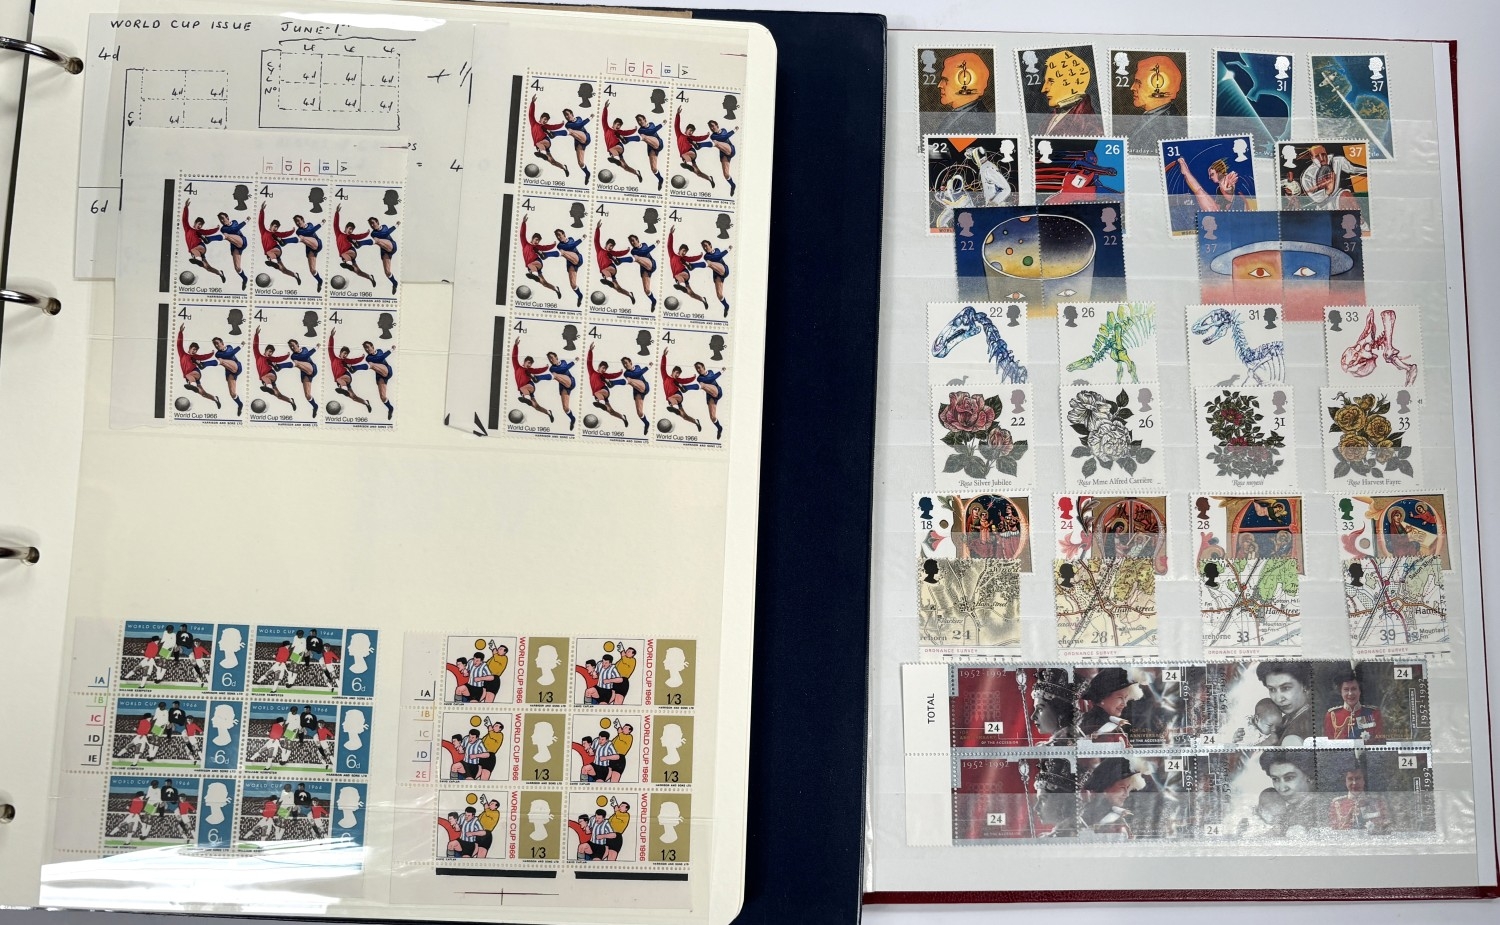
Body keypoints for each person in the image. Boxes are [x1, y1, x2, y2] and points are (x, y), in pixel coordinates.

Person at [1259, 749, 1318, 835]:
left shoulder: (1322, 808)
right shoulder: (1288, 811)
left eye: (1289, 778)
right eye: (1275, 779)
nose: (1282, 788)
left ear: (1309, 777)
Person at [1079, 756, 1143, 836]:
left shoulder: (1122, 817)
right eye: (1122, 787)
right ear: (1106, 786)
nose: (1127, 794)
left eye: (1129, 788)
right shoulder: (1085, 813)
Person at [1255, 661, 1315, 745]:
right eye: (1272, 689)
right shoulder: (1285, 719)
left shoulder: (1305, 724)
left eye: (1286, 688)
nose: (1279, 699)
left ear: (1304, 685)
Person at [1077, 667, 1141, 742]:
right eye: (1120, 697)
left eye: (1125, 698)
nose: (1124, 704)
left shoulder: (1093, 719)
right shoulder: (1100, 727)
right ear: (1102, 698)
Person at [1323, 671, 1384, 743]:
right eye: (1346, 689)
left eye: (1354, 689)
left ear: (1359, 691)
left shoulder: (1373, 713)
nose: (1350, 693)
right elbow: (1328, 745)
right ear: (1341, 692)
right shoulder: (1332, 715)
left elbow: (1379, 742)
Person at [1328, 764, 1390, 833]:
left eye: (1358, 779)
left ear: (1364, 780)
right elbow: (1334, 831)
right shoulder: (1337, 803)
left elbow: (1385, 827)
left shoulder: (1377, 802)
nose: (1354, 783)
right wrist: (1348, 819)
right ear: (1345, 782)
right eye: (1350, 779)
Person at [181, 200, 226, 283]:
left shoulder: (200, 231)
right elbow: (184, 219)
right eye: (199, 224)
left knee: (193, 249)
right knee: (208, 268)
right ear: (195, 223)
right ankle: (220, 273)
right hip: (196, 253)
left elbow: (208, 232)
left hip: (200, 246)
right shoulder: (188, 229)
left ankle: (198, 259)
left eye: (201, 225)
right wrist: (186, 207)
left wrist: (216, 229)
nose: (200, 226)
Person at [176, 329, 221, 409]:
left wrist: (211, 353)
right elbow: (179, 344)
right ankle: (215, 399)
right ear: (189, 349)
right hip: (191, 378)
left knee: (188, 375)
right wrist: (180, 332)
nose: (194, 351)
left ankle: (192, 385)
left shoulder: (195, 356)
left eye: (196, 350)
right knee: (203, 394)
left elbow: (204, 357)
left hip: (195, 372)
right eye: (193, 349)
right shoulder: (182, 354)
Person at [252, 330, 295, 412]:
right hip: (266, 380)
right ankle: (291, 400)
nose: (270, 354)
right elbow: (255, 346)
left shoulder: (270, 358)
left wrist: (287, 356)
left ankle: (268, 387)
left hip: (271, 374)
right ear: (265, 350)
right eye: (269, 351)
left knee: (264, 377)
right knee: (279, 396)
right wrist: (256, 335)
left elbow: (279, 359)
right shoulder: (258, 356)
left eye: (272, 353)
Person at [257, 206, 302, 285]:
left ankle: (274, 261)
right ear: (271, 226)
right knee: (283, 270)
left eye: (277, 228)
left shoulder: (276, 233)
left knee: (269, 252)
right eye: (275, 227)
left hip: (276, 249)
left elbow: (285, 234)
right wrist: (262, 211)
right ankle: (295, 275)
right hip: (271, 255)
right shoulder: (264, 231)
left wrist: (292, 231)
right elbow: (260, 222)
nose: (276, 229)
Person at [586, 347, 629, 428]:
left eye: (605, 369)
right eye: (603, 368)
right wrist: (590, 351)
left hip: (604, 391)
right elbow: (589, 362)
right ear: (599, 367)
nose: (604, 370)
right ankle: (623, 417)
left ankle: (601, 401)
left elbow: (612, 375)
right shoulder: (592, 372)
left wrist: (620, 373)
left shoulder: (604, 375)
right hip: (599, 396)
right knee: (611, 412)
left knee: (596, 394)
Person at [333, 208, 377, 288]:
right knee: (358, 272)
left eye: (352, 230)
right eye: (350, 229)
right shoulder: (338, 234)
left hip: (351, 251)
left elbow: (359, 236)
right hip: (346, 257)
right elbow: (335, 224)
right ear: (346, 228)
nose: (350, 231)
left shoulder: (351, 236)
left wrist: (367, 233)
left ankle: (354, 248)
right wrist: (337, 213)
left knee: (344, 255)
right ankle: (370, 277)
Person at [511, 342, 554, 423]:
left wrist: (546, 367)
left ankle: (532, 380)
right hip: (524, 391)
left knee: (523, 388)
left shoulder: (530, 369)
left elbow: (538, 370)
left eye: (531, 364)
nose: (529, 365)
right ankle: (548, 412)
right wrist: (515, 346)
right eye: (528, 363)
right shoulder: (517, 367)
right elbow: (514, 357)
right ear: (524, 362)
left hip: (529, 386)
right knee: (536, 407)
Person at [328, 337, 374, 413]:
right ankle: (366, 402)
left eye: (346, 354)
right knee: (354, 397)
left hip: (346, 376)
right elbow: (330, 348)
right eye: (344, 353)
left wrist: (362, 357)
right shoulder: (333, 358)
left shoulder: (346, 360)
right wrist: (331, 337)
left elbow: (354, 360)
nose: (345, 355)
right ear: (340, 352)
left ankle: (344, 389)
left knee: (339, 379)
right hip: (342, 382)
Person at [519, 218, 561, 299]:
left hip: (537, 262)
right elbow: (522, 235)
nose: (537, 242)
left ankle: (534, 275)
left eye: (539, 241)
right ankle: (556, 288)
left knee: (530, 265)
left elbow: (546, 247)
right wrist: (523, 223)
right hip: (532, 268)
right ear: (532, 239)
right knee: (544, 283)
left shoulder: (537, 247)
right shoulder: (525, 244)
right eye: (536, 240)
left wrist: (553, 245)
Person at [527, 98, 569, 177]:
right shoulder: (534, 123)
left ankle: (542, 153)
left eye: (547, 120)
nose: (545, 121)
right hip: (540, 147)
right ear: (541, 118)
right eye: (545, 119)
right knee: (552, 162)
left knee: (539, 143)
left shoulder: (545, 126)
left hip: (545, 141)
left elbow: (554, 127)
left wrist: (561, 124)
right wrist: (532, 103)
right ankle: (564, 167)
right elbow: (530, 114)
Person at [667, 232, 709, 310]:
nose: (684, 253)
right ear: (679, 250)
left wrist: (700, 256)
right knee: (691, 294)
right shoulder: (672, 255)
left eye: (685, 252)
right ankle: (703, 299)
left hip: (684, 273)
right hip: (680, 279)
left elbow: (692, 258)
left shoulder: (684, 258)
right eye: (683, 251)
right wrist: (671, 234)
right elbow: (669, 245)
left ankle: (682, 285)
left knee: (678, 275)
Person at [593, 227, 636, 304]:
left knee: (604, 270)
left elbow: (620, 253)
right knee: (618, 289)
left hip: (611, 267)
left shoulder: (611, 252)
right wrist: (597, 229)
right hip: (606, 273)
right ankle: (630, 294)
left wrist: (627, 250)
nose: (611, 247)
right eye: (610, 245)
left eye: (612, 247)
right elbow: (596, 240)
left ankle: (608, 280)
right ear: (606, 244)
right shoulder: (599, 249)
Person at [611, 357, 653, 436]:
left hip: (644, 386)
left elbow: (638, 374)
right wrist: (648, 367)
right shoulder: (626, 373)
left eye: (626, 363)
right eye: (623, 364)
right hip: (637, 392)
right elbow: (637, 374)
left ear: (630, 362)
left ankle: (612, 383)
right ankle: (647, 423)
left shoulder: (637, 367)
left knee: (629, 380)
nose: (625, 365)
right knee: (639, 413)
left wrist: (648, 367)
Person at [672, 112, 715, 187]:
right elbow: (676, 125)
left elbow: (699, 138)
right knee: (698, 173)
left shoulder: (691, 137)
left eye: (692, 131)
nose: (691, 132)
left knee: (684, 155)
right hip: (686, 158)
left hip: (691, 152)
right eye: (690, 130)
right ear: (686, 129)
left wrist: (707, 135)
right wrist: (677, 114)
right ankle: (709, 178)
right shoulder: (679, 135)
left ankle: (688, 165)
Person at [601, 108, 643, 183]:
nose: (618, 127)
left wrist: (634, 130)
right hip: (614, 152)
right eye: (617, 125)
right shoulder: (607, 129)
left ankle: (616, 158)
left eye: (619, 126)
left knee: (612, 149)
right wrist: (605, 108)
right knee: (625, 167)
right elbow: (604, 119)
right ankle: (637, 172)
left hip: (618, 146)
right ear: (613, 124)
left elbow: (627, 132)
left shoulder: (619, 131)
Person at [279, 339, 319, 418]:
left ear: (297, 344)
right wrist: (316, 348)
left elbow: (306, 356)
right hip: (305, 374)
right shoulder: (293, 356)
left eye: (293, 345)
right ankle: (315, 406)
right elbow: (304, 357)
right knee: (307, 395)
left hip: (312, 368)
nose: (292, 348)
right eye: (290, 347)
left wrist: (316, 347)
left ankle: (279, 366)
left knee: (297, 363)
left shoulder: (304, 349)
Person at [213, 208, 250, 289]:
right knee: (237, 268)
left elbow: (236, 229)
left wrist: (246, 221)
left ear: (227, 217)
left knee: (226, 235)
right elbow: (234, 230)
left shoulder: (234, 222)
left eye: (222, 218)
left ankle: (209, 239)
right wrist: (246, 221)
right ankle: (245, 279)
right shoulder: (223, 229)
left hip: (242, 241)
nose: (221, 221)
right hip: (234, 247)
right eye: (220, 219)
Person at [662, 361, 702, 432]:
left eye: (679, 374)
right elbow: (662, 367)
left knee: (670, 398)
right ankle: (696, 421)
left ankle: (674, 406)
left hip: (677, 395)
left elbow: (686, 380)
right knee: (684, 417)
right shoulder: (665, 377)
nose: (677, 375)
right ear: (673, 371)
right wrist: (664, 356)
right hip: (672, 400)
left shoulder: (678, 380)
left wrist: (693, 378)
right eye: (676, 373)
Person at [290, 214, 325, 293]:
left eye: (298, 221)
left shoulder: (310, 224)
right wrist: (321, 223)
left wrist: (321, 223)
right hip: (310, 249)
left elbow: (311, 231)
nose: (297, 223)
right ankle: (320, 281)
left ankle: (284, 242)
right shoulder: (298, 231)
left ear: (302, 220)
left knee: (302, 238)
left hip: (317, 244)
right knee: (312, 270)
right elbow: (310, 232)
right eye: (296, 222)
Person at [550, 228, 585, 307]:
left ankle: (545, 255)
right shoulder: (559, 245)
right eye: (557, 236)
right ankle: (580, 296)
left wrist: (581, 239)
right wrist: (582, 239)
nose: (558, 237)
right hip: (570, 264)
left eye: (559, 235)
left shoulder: (571, 239)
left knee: (562, 252)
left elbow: (572, 246)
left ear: (564, 234)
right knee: (573, 285)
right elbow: (570, 246)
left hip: (578, 258)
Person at [364, 217, 399, 293]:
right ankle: (395, 283)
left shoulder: (384, 226)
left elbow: (386, 234)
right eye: (370, 224)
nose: (372, 225)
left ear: (377, 222)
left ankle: (359, 244)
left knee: (377, 240)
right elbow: (385, 234)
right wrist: (395, 226)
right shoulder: (373, 233)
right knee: (387, 272)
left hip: (392, 246)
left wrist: (396, 225)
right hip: (384, 251)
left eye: (373, 223)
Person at [697, 238, 732, 315]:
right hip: (717, 274)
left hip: (724, 269)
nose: (705, 248)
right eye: (703, 247)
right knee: (719, 295)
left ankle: (692, 266)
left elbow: (718, 257)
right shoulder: (706, 256)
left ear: (710, 245)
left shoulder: (717, 250)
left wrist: (728, 250)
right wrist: (727, 250)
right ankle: (726, 306)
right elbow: (716, 257)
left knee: (709, 263)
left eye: (706, 245)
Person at [632, 112, 666, 190]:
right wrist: (662, 124)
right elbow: (651, 132)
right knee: (654, 169)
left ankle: (627, 140)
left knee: (643, 137)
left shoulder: (651, 124)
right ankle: (660, 179)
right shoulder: (640, 130)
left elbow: (652, 131)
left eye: (640, 120)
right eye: (638, 121)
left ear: (645, 119)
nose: (639, 122)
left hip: (659, 143)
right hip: (651, 148)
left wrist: (662, 124)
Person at [625, 234, 659, 311]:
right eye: (630, 242)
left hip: (651, 264)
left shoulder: (644, 245)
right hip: (644, 269)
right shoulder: (633, 251)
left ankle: (619, 261)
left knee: (637, 258)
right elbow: (644, 252)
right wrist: (655, 244)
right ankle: (653, 301)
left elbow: (645, 252)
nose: (632, 243)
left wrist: (655, 244)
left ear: (637, 240)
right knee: (646, 290)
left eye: (633, 240)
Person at [693, 360, 725, 439]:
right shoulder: (699, 378)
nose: (698, 370)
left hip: (717, 391)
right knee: (712, 417)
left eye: (699, 368)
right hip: (710, 396)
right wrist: (721, 372)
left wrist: (721, 371)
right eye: (696, 369)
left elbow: (711, 379)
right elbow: (710, 379)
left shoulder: (710, 372)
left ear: (703, 367)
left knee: (702, 385)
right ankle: (719, 428)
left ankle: (686, 388)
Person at [560, 107, 592, 183]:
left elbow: (580, 125)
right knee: (580, 163)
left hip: (586, 137)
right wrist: (590, 118)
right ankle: (587, 173)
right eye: (565, 115)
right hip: (578, 142)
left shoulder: (579, 118)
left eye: (567, 114)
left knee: (570, 131)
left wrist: (590, 118)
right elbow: (578, 126)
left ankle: (554, 134)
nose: (566, 116)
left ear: (572, 114)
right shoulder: (568, 124)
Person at [705, 118, 737, 194]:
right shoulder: (713, 136)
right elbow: (724, 137)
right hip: (723, 154)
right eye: (710, 127)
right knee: (726, 175)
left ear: (717, 125)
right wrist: (734, 130)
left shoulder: (723, 130)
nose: (712, 128)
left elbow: (724, 137)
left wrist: (734, 130)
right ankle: (733, 185)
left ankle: (699, 145)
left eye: (712, 126)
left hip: (731, 149)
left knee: (716, 143)